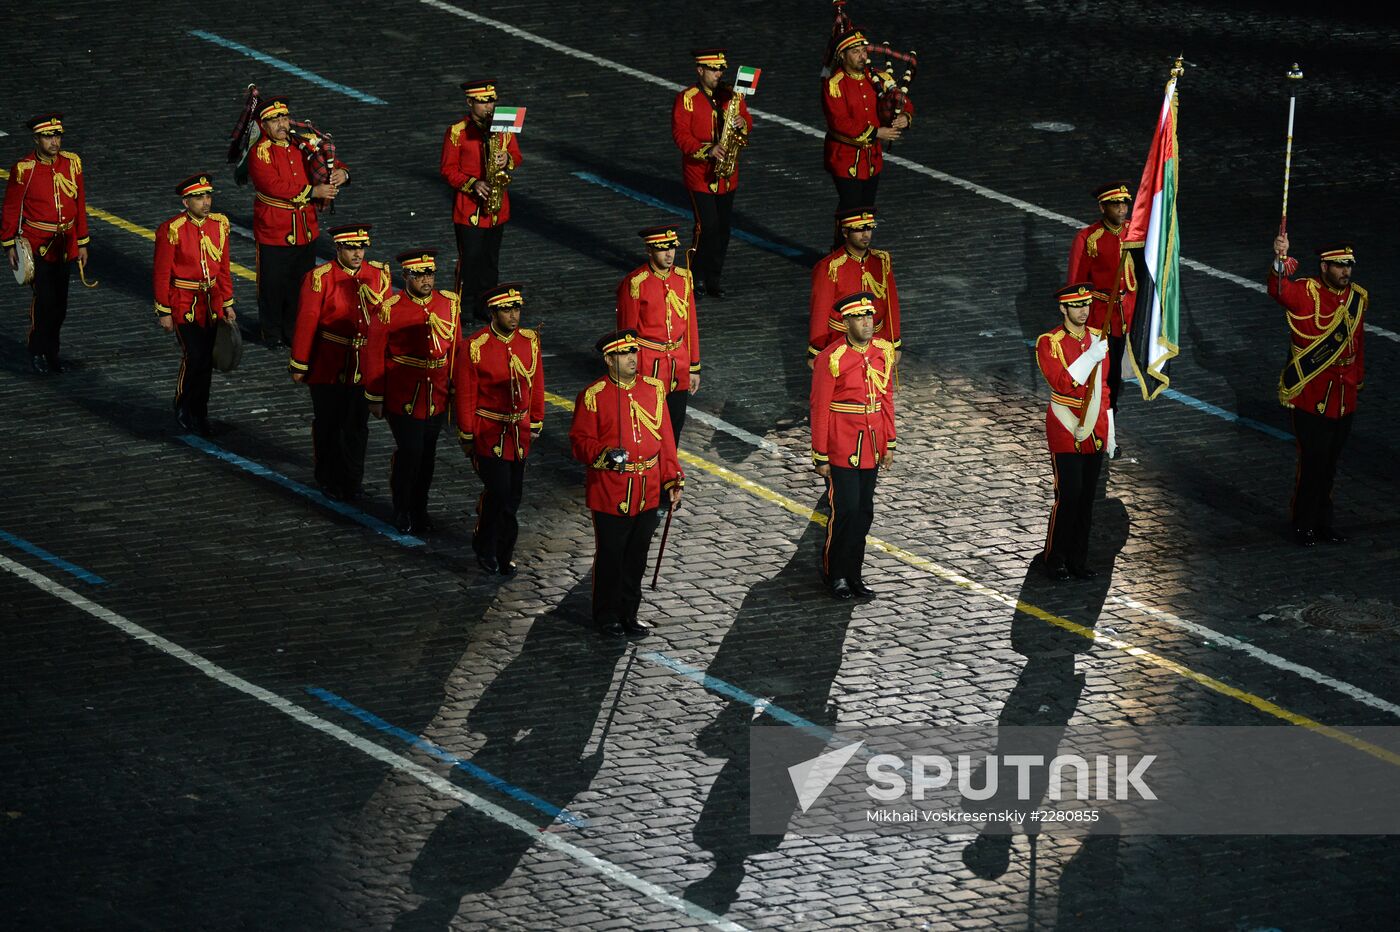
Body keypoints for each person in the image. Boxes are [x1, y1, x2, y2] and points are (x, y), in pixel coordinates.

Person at [569, 329, 685, 638]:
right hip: (611, 488)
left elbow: (666, 439)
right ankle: (606, 613)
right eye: (624, 354)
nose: (632, 358)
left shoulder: (654, 389)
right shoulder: (593, 396)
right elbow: (579, 443)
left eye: (634, 352)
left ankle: (629, 612)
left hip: (646, 487)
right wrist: (605, 455)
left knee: (637, 556)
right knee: (611, 555)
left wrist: (672, 477)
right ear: (608, 359)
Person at [1270, 236, 1367, 547]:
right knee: (1313, 463)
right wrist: (1280, 261)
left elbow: (1358, 346)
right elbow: (1279, 290)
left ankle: (1325, 523)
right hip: (1312, 396)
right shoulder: (1306, 293)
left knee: (1330, 466)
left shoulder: (1357, 299)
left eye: (1349, 266)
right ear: (1324, 266)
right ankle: (1303, 524)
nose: (1346, 272)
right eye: (1340, 265)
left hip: (1343, 397)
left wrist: (1357, 383)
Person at [289, 223, 392, 501]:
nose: (357, 254)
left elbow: (387, 319)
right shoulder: (320, 277)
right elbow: (307, 320)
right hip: (329, 362)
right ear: (338, 248)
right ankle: (328, 476)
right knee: (329, 423)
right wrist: (300, 362)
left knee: (357, 425)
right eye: (351, 248)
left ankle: (352, 479)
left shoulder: (378, 274)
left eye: (361, 247)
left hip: (364, 365)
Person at [363, 249, 460, 534]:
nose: (426, 280)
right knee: (411, 452)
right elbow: (375, 353)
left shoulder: (449, 304)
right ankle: (402, 507)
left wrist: (455, 386)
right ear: (405, 276)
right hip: (404, 394)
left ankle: (420, 508)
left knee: (427, 456)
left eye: (429, 274)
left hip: (437, 394)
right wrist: (375, 396)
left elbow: (455, 350)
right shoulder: (390, 308)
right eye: (419, 275)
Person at [810, 292, 896, 600]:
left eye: (869, 317)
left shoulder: (881, 351)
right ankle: (836, 574)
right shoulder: (831, 358)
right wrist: (820, 454)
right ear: (846, 322)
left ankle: (855, 573)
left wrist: (889, 442)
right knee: (844, 511)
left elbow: (885, 399)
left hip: (872, 445)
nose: (867, 323)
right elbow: (819, 408)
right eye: (859, 318)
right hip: (842, 447)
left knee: (864, 513)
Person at [455, 282, 544, 576]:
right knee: (499, 491)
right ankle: (487, 546)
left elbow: (537, 384)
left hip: (518, 432)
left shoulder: (530, 341)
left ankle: (504, 552)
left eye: (516, 308)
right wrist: (467, 434)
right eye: (507, 309)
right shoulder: (475, 346)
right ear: (493, 312)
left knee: (513, 496)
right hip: (489, 431)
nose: (513, 315)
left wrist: (536, 421)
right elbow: (466, 394)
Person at [249, 94, 349, 347]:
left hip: (305, 227)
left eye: (284, 117)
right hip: (275, 227)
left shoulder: (302, 143)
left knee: (300, 283)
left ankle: (293, 331)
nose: (282, 124)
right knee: (272, 285)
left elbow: (328, 161)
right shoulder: (260, 152)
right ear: (264, 125)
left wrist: (342, 173)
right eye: (274, 120)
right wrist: (312, 192)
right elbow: (272, 186)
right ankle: (271, 332)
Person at [1, 112, 90, 375]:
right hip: (37, 244)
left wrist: (82, 242)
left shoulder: (72, 163)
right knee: (45, 301)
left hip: (65, 244)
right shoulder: (24, 169)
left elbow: (79, 204)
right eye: (48, 137)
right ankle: (38, 349)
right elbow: (11, 207)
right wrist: (8, 244)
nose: (54, 142)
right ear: (36, 139)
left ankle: (53, 351)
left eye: (57, 136)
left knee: (60, 304)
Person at [1034, 283, 1111, 580]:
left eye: (1087, 305)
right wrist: (1092, 356)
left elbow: (1104, 389)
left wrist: (1111, 429)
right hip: (1065, 426)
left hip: (1095, 426)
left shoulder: (1097, 338)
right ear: (1063, 308)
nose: (1083, 311)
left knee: (1087, 499)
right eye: (1077, 305)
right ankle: (1054, 557)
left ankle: (1078, 559)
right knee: (1069, 496)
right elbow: (1063, 383)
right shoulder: (1049, 342)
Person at [152, 173, 236, 435]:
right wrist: (164, 310)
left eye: (208, 196)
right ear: (186, 202)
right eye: (199, 197)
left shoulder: (220, 225)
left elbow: (223, 267)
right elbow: (162, 272)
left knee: (206, 360)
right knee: (194, 356)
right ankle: (183, 406)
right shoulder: (172, 229)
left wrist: (227, 303)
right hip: (184, 303)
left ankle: (200, 412)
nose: (205, 202)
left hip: (210, 303)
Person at [671, 47, 753, 299]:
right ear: (700, 70)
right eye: (714, 69)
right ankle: (693, 277)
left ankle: (713, 279)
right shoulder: (687, 98)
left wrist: (742, 123)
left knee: (724, 229)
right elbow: (681, 136)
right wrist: (707, 149)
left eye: (721, 69)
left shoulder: (731, 96)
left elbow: (747, 121)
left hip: (728, 174)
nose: (719, 74)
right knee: (706, 227)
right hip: (701, 175)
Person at [440, 79, 523, 322]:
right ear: (470, 102)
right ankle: (463, 307)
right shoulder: (457, 131)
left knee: (490, 261)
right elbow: (448, 170)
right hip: (469, 208)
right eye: (483, 102)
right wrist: (473, 184)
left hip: (497, 207)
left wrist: (506, 159)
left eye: (492, 101)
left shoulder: (503, 125)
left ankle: (485, 305)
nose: (489, 107)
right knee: (470, 260)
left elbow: (517, 156)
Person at [821, 30, 911, 245]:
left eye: (863, 51)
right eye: (855, 52)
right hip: (845, 158)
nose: (862, 56)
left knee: (866, 208)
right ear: (842, 56)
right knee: (852, 208)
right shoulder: (835, 84)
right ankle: (842, 252)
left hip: (872, 159)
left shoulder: (878, 77)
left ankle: (853, 251)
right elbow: (839, 122)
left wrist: (905, 117)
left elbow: (901, 99)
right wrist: (876, 132)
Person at [616, 225, 700, 447]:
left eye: (672, 248)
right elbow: (626, 335)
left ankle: (668, 476)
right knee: (648, 427)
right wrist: (627, 374)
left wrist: (693, 366)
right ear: (649, 250)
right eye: (663, 249)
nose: (669, 254)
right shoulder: (636, 282)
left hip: (678, 365)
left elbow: (690, 325)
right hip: (648, 365)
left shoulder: (684, 278)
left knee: (675, 426)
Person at [1067, 182, 1138, 429]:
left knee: (1116, 379)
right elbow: (1076, 284)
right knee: (1099, 376)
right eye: (1116, 204)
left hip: (1126, 316)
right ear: (1102, 207)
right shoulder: (1088, 238)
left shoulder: (1134, 232)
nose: (1122, 209)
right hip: (1099, 317)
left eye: (1124, 203)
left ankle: (1109, 426)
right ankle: (1095, 426)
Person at [807, 206, 901, 374]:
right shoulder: (830, 267)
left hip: (876, 338)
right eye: (859, 230)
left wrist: (895, 342)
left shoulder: (881, 261)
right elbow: (820, 311)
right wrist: (817, 349)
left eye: (869, 229)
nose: (866, 235)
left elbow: (891, 304)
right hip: (841, 340)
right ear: (845, 232)